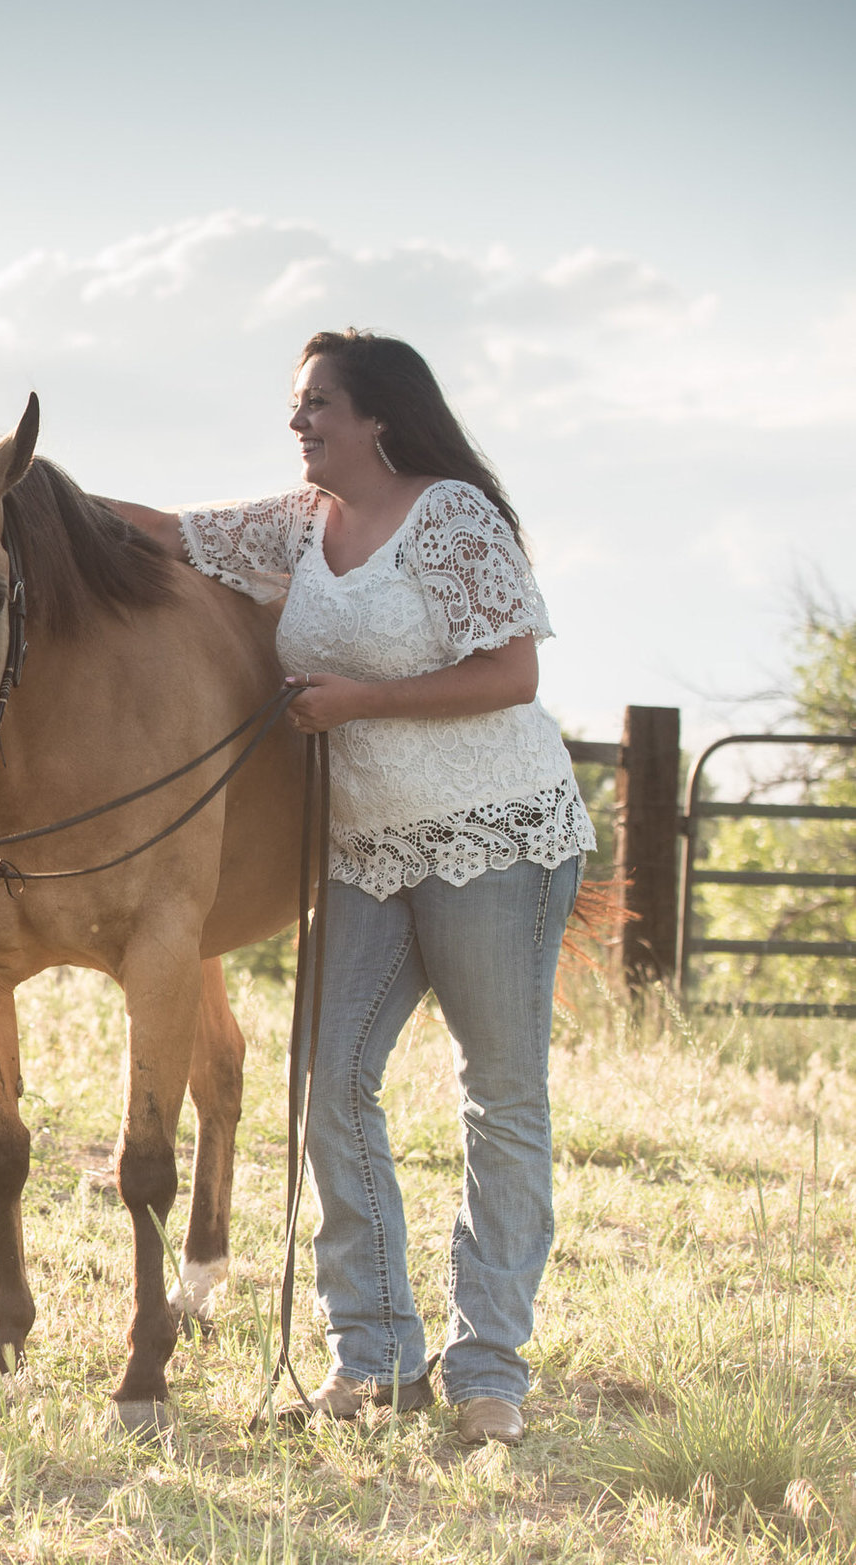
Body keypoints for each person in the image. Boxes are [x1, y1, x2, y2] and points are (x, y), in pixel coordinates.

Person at [111, 328, 592, 1447]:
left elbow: (512, 671)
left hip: (495, 836)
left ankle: (488, 1373)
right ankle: (373, 1361)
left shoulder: (452, 516)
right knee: (330, 1090)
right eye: (295, 404)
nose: (297, 422)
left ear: (379, 416)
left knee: (500, 1098)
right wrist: (26, 486)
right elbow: (173, 531)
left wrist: (360, 702)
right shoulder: (299, 521)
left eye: (316, 402)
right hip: (369, 848)